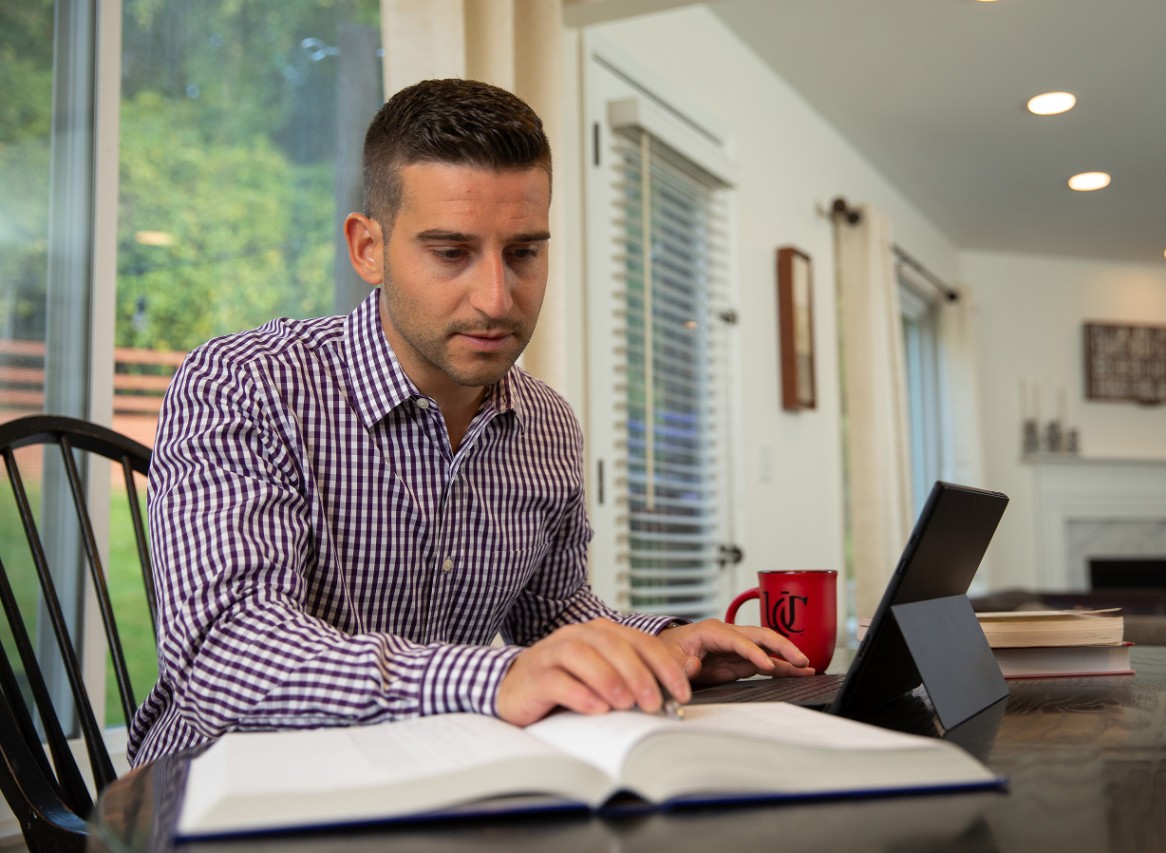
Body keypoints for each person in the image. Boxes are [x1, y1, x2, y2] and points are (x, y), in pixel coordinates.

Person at [128, 78, 812, 766]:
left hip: (429, 776)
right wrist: (498, 676)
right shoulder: (246, 384)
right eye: (451, 252)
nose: (496, 298)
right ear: (368, 247)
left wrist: (661, 639)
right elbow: (227, 658)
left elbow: (552, 612)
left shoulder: (547, 424)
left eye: (523, 253)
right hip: (226, 794)